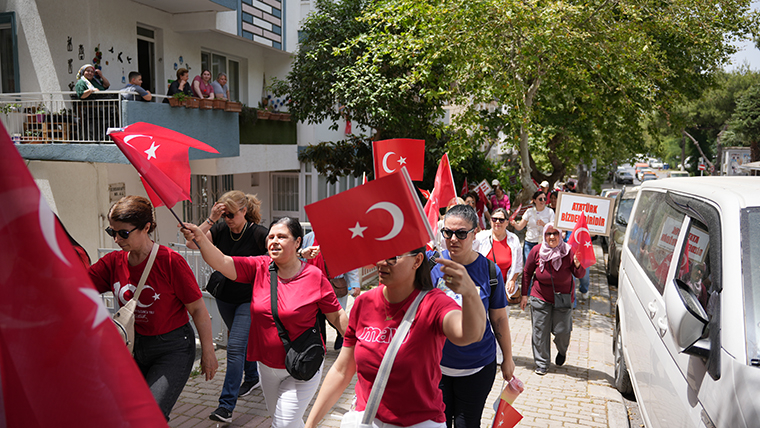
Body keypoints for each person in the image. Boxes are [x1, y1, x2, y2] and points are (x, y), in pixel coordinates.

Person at [181, 217, 348, 428]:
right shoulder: (259, 267)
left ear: (298, 242)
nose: (274, 241)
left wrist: (359, 347)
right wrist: (200, 239)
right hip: (266, 366)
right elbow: (222, 262)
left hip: (303, 364)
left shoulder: (314, 276)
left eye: (282, 236)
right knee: (286, 420)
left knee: (283, 423)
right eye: (271, 237)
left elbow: (336, 316)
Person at [303, 246, 487, 428]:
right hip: (366, 419)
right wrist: (310, 424)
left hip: (419, 422)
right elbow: (342, 370)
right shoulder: (363, 303)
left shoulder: (434, 303)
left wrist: (470, 293)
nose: (382, 263)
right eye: (380, 254)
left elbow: (469, 335)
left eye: (393, 257)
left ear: (417, 260)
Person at [88, 196, 218, 420]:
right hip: (131, 348)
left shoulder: (170, 262)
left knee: (151, 416)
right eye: (112, 232)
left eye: (124, 233)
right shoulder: (112, 263)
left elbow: (197, 309)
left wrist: (208, 352)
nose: (117, 239)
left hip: (171, 349)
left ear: (146, 227)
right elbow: (75, 286)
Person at [430, 205, 515, 428]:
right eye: (447, 232)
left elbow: (498, 319)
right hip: (435, 367)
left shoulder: (490, 271)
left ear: (474, 233)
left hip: (478, 367)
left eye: (461, 233)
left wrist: (508, 358)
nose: (453, 239)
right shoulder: (432, 267)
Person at [186, 191, 267, 423]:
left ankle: (226, 406)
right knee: (243, 343)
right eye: (224, 215)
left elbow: (278, 256)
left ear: (244, 211)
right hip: (225, 297)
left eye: (231, 214)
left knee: (234, 347)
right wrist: (211, 219)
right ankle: (252, 377)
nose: (228, 219)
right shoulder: (220, 229)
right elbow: (192, 243)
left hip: (248, 299)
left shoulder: (259, 234)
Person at [520, 223, 585, 375]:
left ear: (561, 235)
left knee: (563, 331)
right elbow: (527, 272)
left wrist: (578, 264)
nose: (551, 237)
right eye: (548, 234)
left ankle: (562, 351)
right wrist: (525, 294)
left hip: (563, 298)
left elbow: (579, 275)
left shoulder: (569, 252)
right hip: (540, 296)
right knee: (540, 330)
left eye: (555, 233)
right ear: (544, 235)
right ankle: (542, 363)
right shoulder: (536, 251)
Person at [300, 231, 361, 350]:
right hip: (313, 285)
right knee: (317, 317)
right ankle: (320, 346)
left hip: (335, 285)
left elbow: (350, 264)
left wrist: (354, 284)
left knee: (335, 316)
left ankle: (341, 334)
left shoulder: (342, 239)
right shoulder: (308, 238)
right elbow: (300, 260)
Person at [474, 208, 523, 304]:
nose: (497, 222)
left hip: (503, 289)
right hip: (483, 285)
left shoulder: (514, 239)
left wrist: (512, 280)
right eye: (494, 219)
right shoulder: (481, 237)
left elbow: (518, 265)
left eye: (501, 220)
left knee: (501, 317)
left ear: (507, 222)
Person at [511, 190, 555, 264]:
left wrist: (544, 224)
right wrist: (514, 224)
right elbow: (520, 227)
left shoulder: (550, 211)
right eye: (540, 199)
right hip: (529, 242)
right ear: (534, 200)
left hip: (544, 242)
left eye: (545, 199)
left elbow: (553, 229)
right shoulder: (529, 211)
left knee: (542, 266)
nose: (543, 201)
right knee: (528, 265)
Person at [75, 63, 112, 141]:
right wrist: (91, 90)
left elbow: (107, 85)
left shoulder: (96, 81)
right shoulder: (81, 82)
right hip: (90, 110)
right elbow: (81, 95)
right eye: (87, 71)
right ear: (83, 72)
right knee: (92, 127)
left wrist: (101, 76)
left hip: (101, 109)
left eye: (92, 72)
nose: (90, 73)